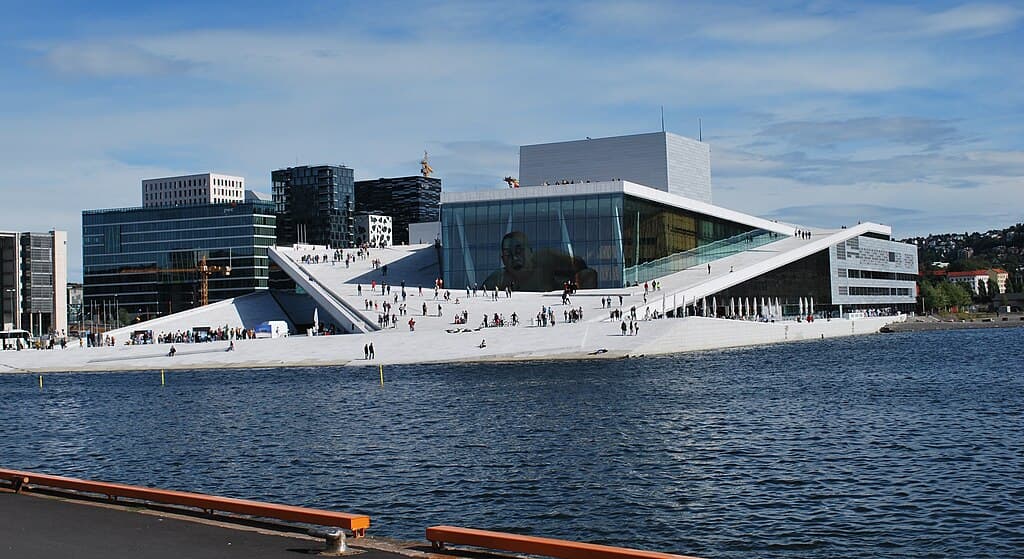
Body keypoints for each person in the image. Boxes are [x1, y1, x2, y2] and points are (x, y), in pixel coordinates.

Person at [482, 231, 597, 291]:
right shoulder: (498, 279)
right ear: (503, 260)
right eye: (508, 254)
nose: (514, 258)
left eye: (519, 251)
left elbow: (580, 264)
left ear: (530, 252)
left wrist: (575, 282)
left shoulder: (546, 258)